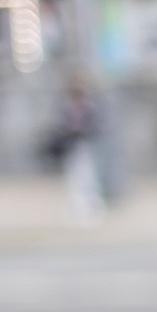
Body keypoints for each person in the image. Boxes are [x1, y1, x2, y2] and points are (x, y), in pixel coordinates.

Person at [46, 81, 106, 223]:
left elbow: (95, 127)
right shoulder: (67, 108)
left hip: (84, 145)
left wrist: (81, 132)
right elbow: (61, 126)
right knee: (74, 178)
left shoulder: (88, 108)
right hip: (72, 146)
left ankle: (92, 207)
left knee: (87, 177)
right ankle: (77, 208)